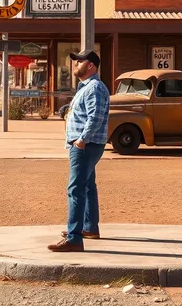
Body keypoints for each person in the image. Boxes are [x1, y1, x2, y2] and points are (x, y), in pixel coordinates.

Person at [48, 49, 110, 252]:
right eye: (75, 61)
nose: (75, 64)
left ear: (90, 65)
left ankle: (74, 238)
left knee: (75, 189)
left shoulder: (94, 88)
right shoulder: (87, 87)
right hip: (84, 144)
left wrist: (82, 140)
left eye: (79, 61)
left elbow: (96, 117)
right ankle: (89, 227)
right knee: (88, 186)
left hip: (85, 145)